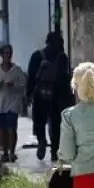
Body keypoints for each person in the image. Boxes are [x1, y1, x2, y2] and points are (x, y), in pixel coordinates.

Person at [26, 32, 73, 162]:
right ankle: (54, 150)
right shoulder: (62, 57)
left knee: (39, 121)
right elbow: (65, 78)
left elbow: (31, 77)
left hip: (40, 94)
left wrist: (28, 94)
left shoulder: (37, 56)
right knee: (56, 123)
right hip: (56, 95)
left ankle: (41, 140)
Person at [0, 44, 27, 162]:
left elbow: (23, 84)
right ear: (1, 55)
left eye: (9, 53)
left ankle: (12, 152)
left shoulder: (17, 70)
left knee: (11, 128)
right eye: (5, 53)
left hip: (13, 103)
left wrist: (13, 85)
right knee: (3, 130)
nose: (8, 55)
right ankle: (5, 152)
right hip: (0, 104)